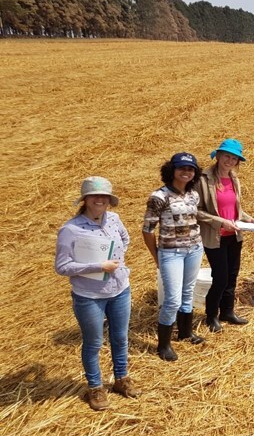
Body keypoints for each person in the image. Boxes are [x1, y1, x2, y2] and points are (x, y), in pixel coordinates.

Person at [55, 177, 140, 411]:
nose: (100, 200)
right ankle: (95, 387)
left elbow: (125, 239)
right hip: (89, 296)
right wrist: (97, 267)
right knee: (94, 343)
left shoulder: (114, 219)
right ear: (85, 200)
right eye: (95, 196)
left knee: (120, 338)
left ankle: (121, 379)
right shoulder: (71, 229)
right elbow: (62, 267)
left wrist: (117, 260)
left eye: (104, 196)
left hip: (120, 289)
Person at [142, 152, 205, 361]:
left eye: (190, 169)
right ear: (172, 170)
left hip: (194, 249)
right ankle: (164, 345)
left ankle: (185, 333)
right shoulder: (159, 197)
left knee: (188, 292)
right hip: (171, 253)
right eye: (182, 168)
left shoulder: (193, 195)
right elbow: (148, 230)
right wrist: (156, 256)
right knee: (172, 300)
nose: (186, 172)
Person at [196, 138, 254, 332]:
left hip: (234, 235)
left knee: (232, 275)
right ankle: (211, 316)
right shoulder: (203, 179)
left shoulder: (233, 179)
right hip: (215, 237)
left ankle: (227, 312)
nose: (229, 161)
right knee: (220, 277)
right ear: (218, 156)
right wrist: (220, 221)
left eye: (234, 158)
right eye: (226, 156)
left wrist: (248, 219)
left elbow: (234, 208)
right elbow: (195, 210)